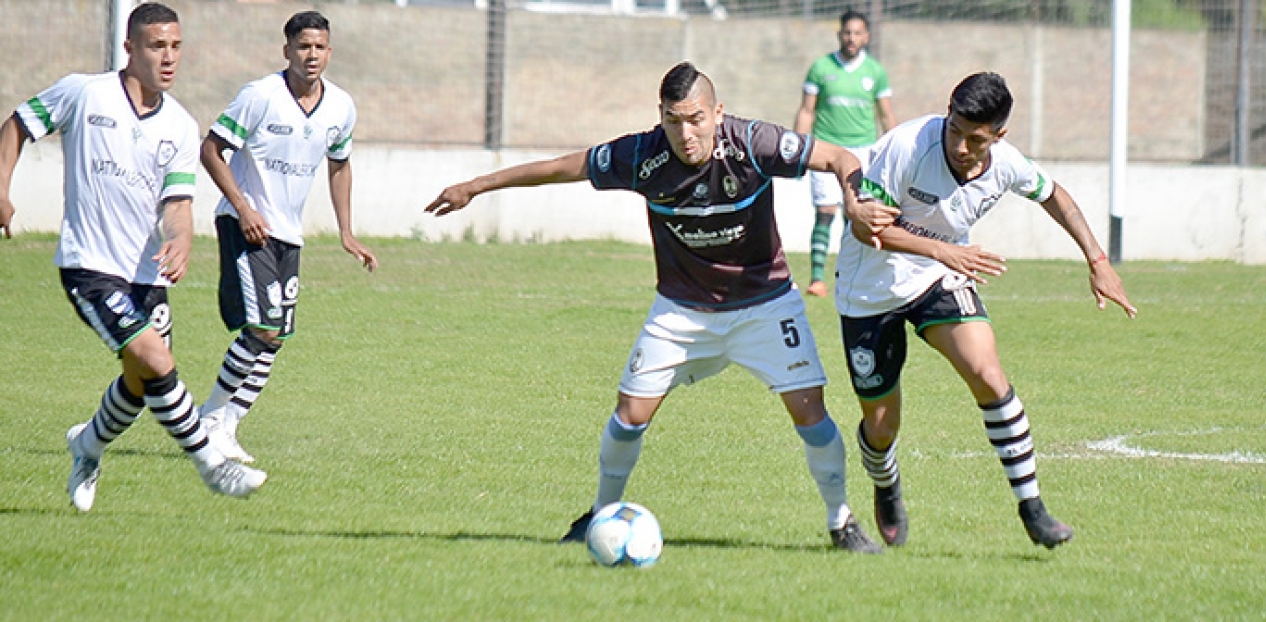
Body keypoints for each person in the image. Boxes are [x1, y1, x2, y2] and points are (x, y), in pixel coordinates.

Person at [426, 62, 899, 553]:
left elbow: (840, 157)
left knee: (812, 415)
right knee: (629, 414)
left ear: (718, 112)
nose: (685, 132)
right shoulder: (640, 154)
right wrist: (476, 186)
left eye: (695, 118)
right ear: (661, 116)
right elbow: (558, 168)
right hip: (681, 312)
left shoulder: (754, 143)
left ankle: (841, 522)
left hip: (765, 305)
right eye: (674, 120)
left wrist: (854, 198)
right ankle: (600, 515)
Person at [835, 71, 1137, 549]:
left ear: (999, 135)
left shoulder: (1007, 164)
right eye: (955, 130)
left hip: (938, 277)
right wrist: (944, 251)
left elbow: (1055, 195)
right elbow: (865, 231)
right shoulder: (907, 147)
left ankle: (1033, 508)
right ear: (948, 112)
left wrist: (1098, 261)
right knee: (881, 423)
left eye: (975, 139)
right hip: (870, 288)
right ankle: (886, 483)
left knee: (988, 374)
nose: (960, 145)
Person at [0, 2, 266, 511]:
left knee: (141, 382)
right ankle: (211, 464)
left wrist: (181, 238)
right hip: (90, 266)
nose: (168, 58)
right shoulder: (85, 92)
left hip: (146, 273)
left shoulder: (182, 126)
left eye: (175, 47)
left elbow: (178, 203)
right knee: (155, 357)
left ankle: (87, 446)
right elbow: (17, 125)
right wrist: (2, 188)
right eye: (156, 46)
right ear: (129, 48)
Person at [196, 10, 377, 463]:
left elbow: (340, 164)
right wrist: (243, 207)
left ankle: (228, 425)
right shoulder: (260, 96)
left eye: (319, 47)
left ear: (329, 52)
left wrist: (346, 232)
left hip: (288, 235)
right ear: (287, 51)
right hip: (246, 226)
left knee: (276, 338)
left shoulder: (340, 106)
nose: (311, 55)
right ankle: (209, 419)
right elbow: (212, 150)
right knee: (262, 327)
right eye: (302, 46)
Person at [793, 9, 897, 298]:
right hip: (826, 149)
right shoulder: (820, 67)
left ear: (866, 36)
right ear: (840, 34)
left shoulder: (875, 72)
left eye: (857, 33)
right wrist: (799, 150)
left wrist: (891, 151)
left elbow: (886, 116)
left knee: (856, 214)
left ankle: (849, 274)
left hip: (863, 150)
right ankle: (817, 279)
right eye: (847, 33)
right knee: (825, 211)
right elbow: (807, 110)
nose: (851, 38)